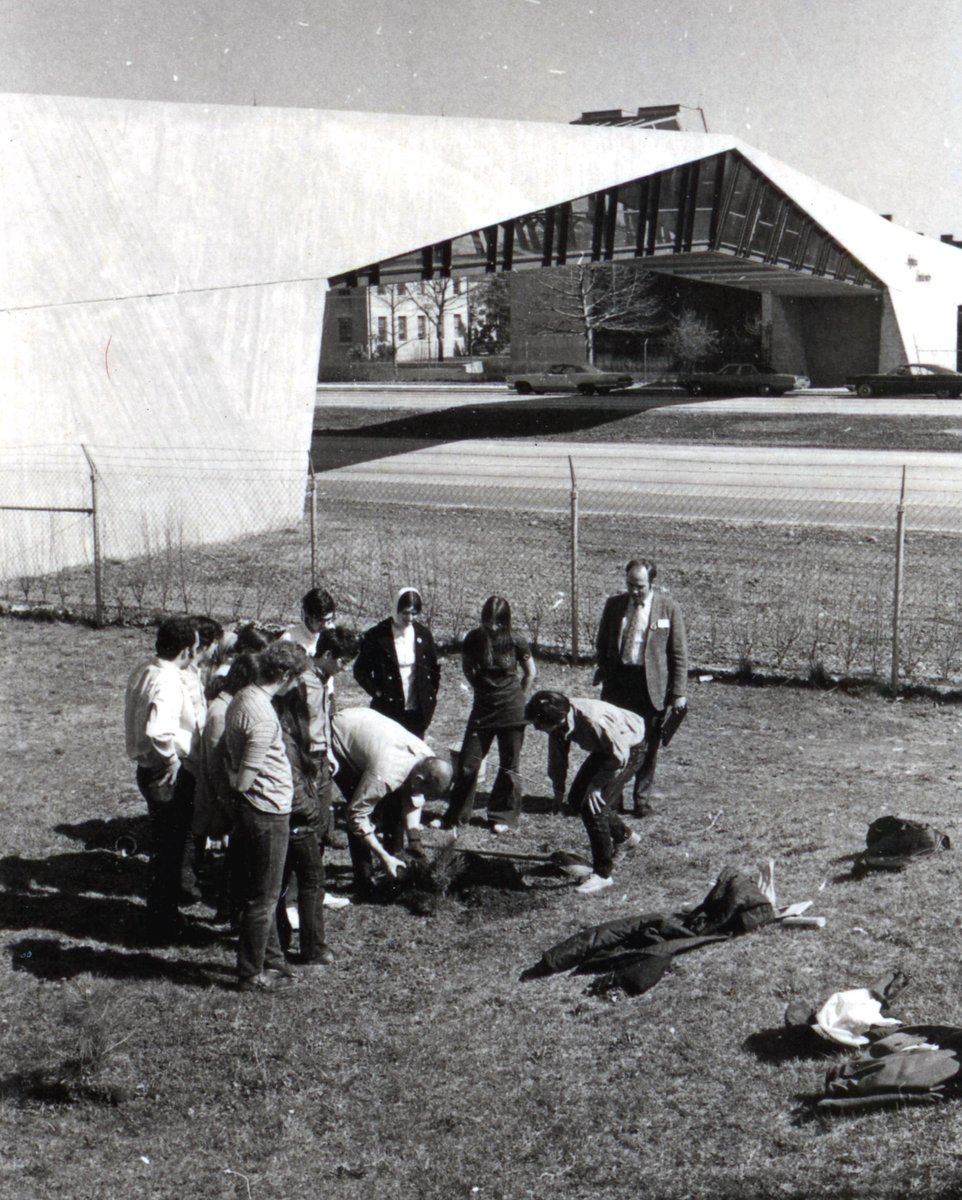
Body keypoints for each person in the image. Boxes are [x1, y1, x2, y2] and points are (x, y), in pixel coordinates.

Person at [223, 639, 308, 994]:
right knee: (265, 898)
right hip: (267, 813)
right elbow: (243, 779)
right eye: (297, 678)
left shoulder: (243, 697)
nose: (298, 685)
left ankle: (273, 961)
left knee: (261, 893)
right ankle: (250, 975)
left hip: (253, 812)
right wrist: (233, 777)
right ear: (285, 675)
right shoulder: (261, 717)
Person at [124, 616, 201, 941]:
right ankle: (163, 921)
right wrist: (172, 762)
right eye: (195, 649)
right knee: (169, 850)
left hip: (146, 768)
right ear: (185, 651)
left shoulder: (145, 669)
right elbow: (158, 731)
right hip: (163, 772)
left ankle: (162, 913)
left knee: (164, 846)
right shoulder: (169, 682)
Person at [525, 690, 644, 897]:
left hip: (628, 749)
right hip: (606, 750)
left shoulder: (593, 720)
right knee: (576, 798)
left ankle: (603, 874)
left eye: (539, 725)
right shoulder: (558, 724)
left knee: (593, 807)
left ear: (558, 718)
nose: (536, 728)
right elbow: (558, 758)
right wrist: (558, 791)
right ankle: (625, 837)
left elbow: (618, 758)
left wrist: (596, 786)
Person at [594, 558, 688, 815]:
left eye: (640, 587)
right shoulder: (614, 606)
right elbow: (602, 643)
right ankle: (613, 797)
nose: (634, 591)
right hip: (619, 683)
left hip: (651, 686)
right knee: (617, 742)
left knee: (647, 745)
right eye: (630, 585)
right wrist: (605, 669)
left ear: (652, 583)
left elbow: (678, 654)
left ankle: (642, 800)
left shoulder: (668, 608)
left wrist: (678, 693)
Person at [436, 595, 535, 834]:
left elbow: (531, 673)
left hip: (512, 711)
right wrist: (480, 688)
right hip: (483, 711)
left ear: (506, 621)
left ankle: (503, 815)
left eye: (498, 623)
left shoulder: (516, 641)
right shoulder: (473, 639)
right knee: (468, 764)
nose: (492, 627)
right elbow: (467, 668)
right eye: (487, 622)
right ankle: (456, 816)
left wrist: (519, 698)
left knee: (509, 765)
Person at [330, 707, 453, 899]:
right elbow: (356, 816)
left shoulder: (427, 758)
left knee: (394, 802)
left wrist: (415, 840)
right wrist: (383, 856)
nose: (423, 797)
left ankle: (393, 867)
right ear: (419, 779)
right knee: (361, 808)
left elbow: (413, 797)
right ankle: (364, 881)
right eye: (424, 791)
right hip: (338, 737)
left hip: (366, 725)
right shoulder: (386, 772)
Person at [290, 625, 360, 914]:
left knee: (319, 829)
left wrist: (329, 752)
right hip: (305, 763)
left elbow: (323, 722)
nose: (344, 669)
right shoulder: (303, 681)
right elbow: (294, 728)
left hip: (322, 761)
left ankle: (313, 891)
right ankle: (292, 899)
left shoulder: (324, 681)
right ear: (328, 654)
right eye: (342, 662)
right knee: (303, 832)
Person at [353, 587, 441, 738]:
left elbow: (433, 670)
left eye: (414, 613)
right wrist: (377, 691)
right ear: (396, 609)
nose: (410, 618)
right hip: (388, 709)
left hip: (416, 711)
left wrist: (429, 696)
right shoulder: (377, 635)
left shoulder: (424, 635)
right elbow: (360, 670)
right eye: (405, 613)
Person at [281, 587, 336, 656]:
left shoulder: (332, 631)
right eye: (320, 621)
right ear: (308, 616)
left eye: (329, 620)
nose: (325, 625)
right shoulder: (289, 640)